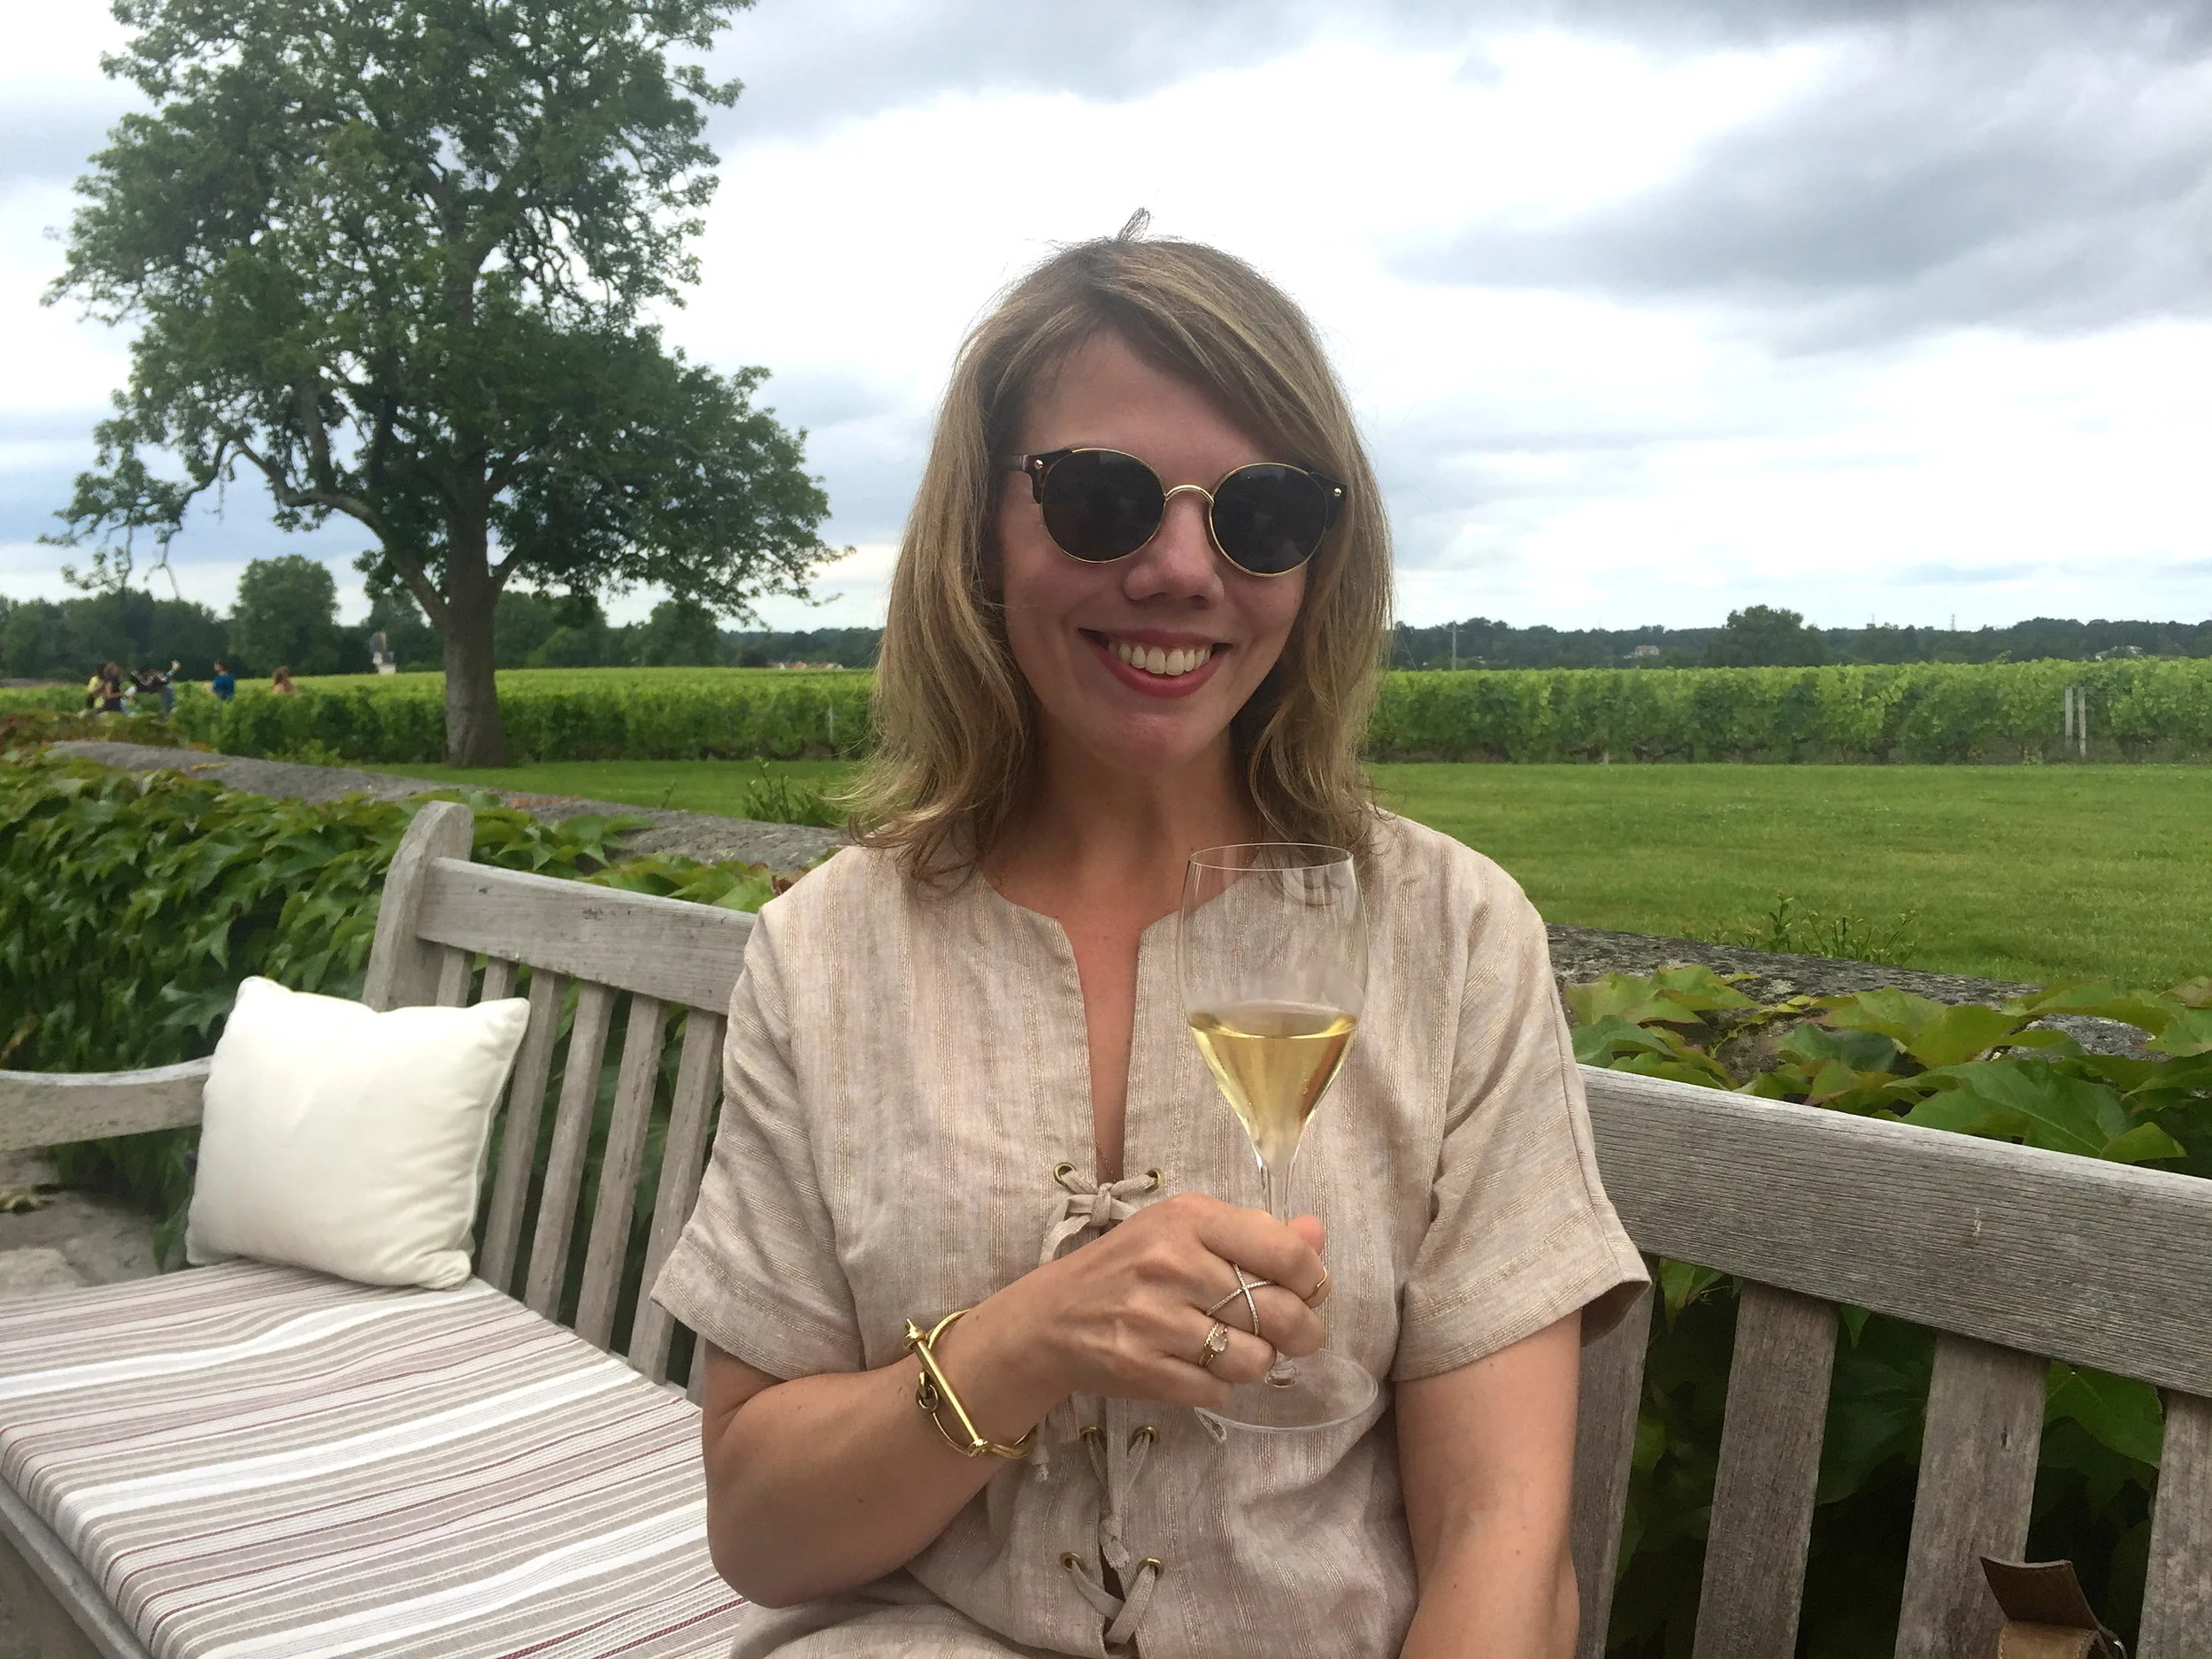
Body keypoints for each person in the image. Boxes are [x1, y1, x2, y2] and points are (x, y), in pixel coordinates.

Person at [650, 223, 1647, 1659]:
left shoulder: (1450, 936)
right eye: (1105, 498)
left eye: (1263, 514)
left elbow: (1501, 1537)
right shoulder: (829, 955)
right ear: (980, 530)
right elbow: (761, 1526)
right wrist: (1033, 1335)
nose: (1185, 567)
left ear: (1318, 557)